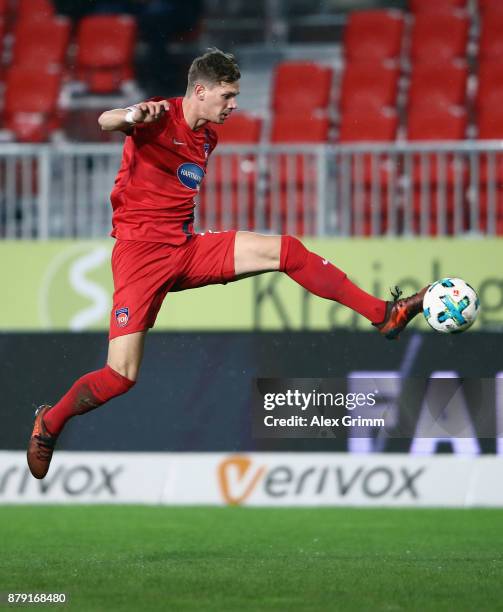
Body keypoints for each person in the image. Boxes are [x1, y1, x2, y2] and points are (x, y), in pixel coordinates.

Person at [27, 48, 428, 479]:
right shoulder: (158, 116)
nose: (234, 104)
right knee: (121, 376)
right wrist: (130, 115)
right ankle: (50, 424)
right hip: (140, 256)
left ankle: (385, 315)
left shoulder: (207, 137)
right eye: (227, 95)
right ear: (200, 90)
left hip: (185, 247)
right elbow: (107, 121)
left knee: (286, 250)